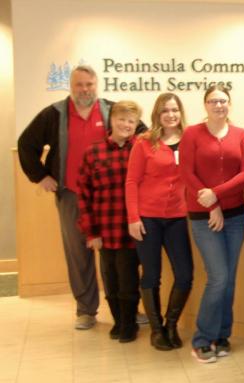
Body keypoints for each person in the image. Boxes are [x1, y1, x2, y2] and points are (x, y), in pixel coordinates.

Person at [17, 65, 145, 330]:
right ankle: (86, 310)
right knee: (79, 253)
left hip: (114, 199)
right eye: (79, 85)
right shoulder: (54, 114)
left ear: (96, 84)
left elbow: (144, 136)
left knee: (122, 256)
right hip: (73, 195)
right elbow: (26, 143)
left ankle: (128, 311)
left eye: (89, 84)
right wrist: (40, 176)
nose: (84, 89)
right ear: (71, 86)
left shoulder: (112, 110)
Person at [180, 85, 244, 363]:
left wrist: (217, 195)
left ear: (229, 104)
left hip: (235, 216)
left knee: (229, 279)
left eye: (223, 101)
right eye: (213, 101)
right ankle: (202, 339)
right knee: (218, 277)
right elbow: (186, 172)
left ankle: (222, 335)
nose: (218, 105)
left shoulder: (241, 135)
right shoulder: (192, 134)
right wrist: (211, 205)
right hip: (202, 216)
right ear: (205, 105)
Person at [126, 93, 194, 351]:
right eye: (165, 110)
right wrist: (133, 218)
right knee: (152, 275)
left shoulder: (190, 140)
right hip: (148, 218)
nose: (171, 115)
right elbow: (131, 181)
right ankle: (156, 330)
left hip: (177, 218)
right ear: (157, 114)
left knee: (185, 275)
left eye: (175, 110)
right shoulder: (144, 143)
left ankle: (171, 324)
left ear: (181, 112)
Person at [77, 100, 142, 343]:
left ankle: (129, 324)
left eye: (131, 121)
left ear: (136, 125)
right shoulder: (93, 152)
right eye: (121, 119)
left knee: (128, 279)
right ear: (111, 121)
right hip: (104, 229)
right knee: (110, 280)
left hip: (132, 229)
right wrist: (90, 232)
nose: (126, 125)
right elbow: (84, 195)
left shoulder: (141, 149)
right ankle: (118, 321)